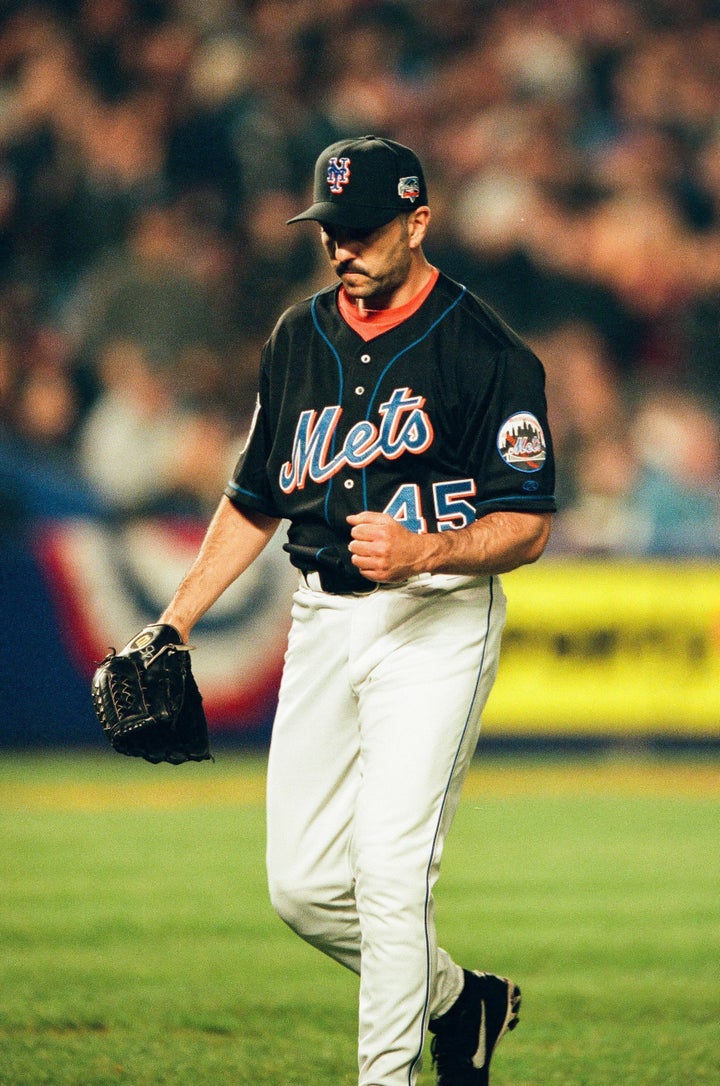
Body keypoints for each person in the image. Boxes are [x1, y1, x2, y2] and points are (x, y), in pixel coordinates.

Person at [158, 136, 556, 1086]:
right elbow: (257, 493)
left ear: (420, 221)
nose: (343, 246)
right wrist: (174, 618)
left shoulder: (487, 351)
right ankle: (461, 1002)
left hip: (437, 620)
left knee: (387, 870)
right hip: (323, 617)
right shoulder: (297, 337)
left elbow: (529, 523)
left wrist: (429, 551)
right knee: (301, 888)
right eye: (330, 228)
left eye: (365, 228)